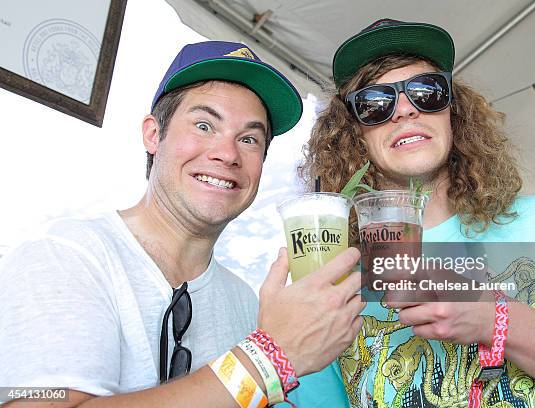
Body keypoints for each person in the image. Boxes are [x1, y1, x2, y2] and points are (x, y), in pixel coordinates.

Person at [0, 41, 365, 407]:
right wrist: (267, 358)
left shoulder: (243, 300)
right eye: (204, 125)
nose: (227, 153)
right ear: (153, 134)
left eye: (249, 139)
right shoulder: (64, 258)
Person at [289, 19, 535, 408]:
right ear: (353, 132)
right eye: (375, 104)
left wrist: (494, 320)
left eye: (427, 92)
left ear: (452, 113)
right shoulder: (332, 276)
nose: (405, 111)